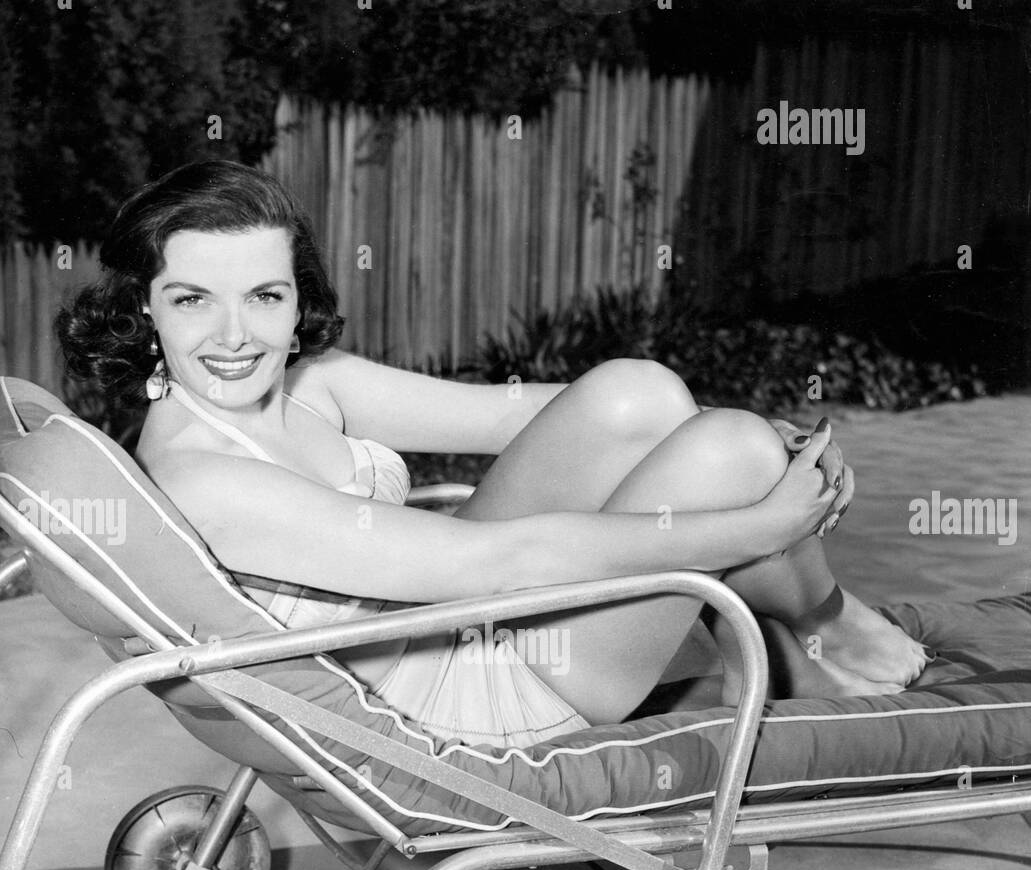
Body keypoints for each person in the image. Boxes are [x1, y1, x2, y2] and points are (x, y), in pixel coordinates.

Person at [57, 160, 927, 749]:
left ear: (296, 299)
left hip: (446, 612)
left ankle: (814, 618)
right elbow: (500, 564)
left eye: (265, 295)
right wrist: (755, 519)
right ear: (144, 311)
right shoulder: (206, 480)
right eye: (192, 300)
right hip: (457, 697)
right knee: (726, 456)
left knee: (641, 391)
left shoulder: (303, 381)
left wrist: (761, 429)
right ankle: (825, 626)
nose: (236, 335)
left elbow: (511, 414)